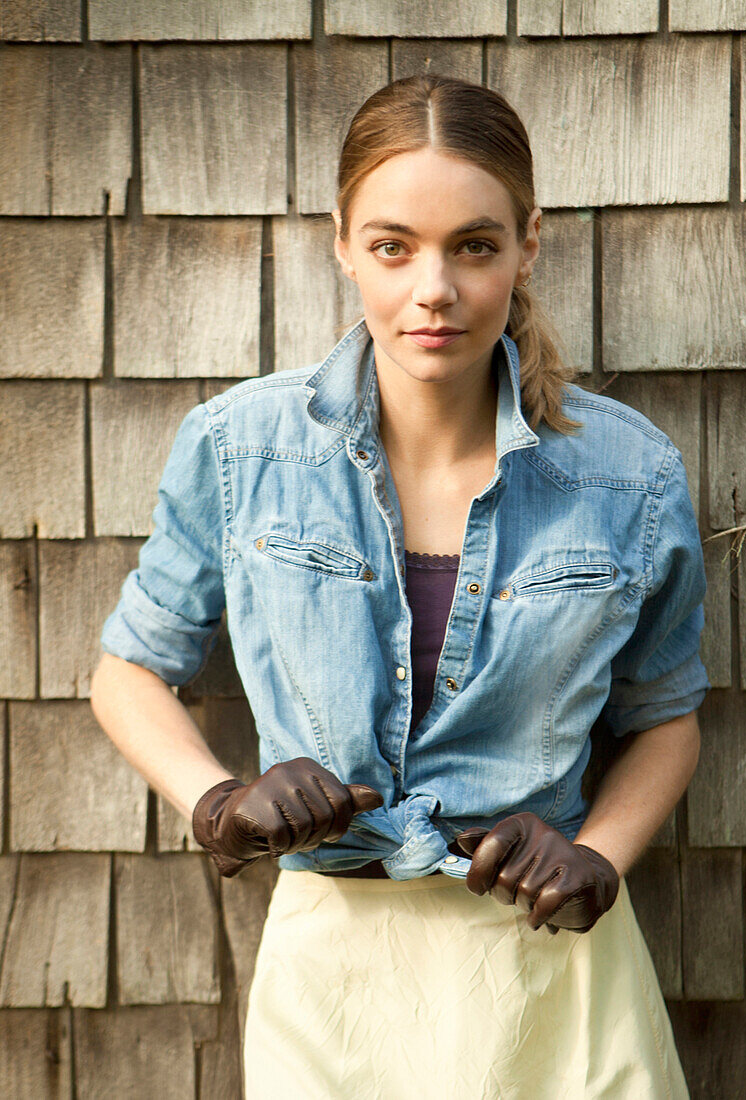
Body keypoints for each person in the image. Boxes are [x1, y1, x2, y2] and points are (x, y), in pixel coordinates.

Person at [91, 74, 709, 1098]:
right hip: (332, 969)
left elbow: (667, 713)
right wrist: (222, 802)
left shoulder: (626, 474)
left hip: (548, 965)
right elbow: (127, 671)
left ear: (527, 243)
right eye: (393, 245)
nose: (435, 287)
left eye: (473, 244)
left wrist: (597, 855)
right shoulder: (242, 446)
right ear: (342, 242)